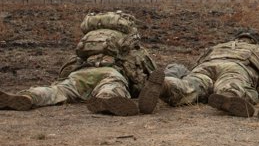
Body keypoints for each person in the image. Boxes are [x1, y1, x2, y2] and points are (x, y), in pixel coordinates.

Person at [0, 11, 161, 116]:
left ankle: (28, 96)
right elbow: (150, 74)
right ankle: (106, 99)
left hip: (81, 73)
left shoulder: (90, 42)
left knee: (59, 90)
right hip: (110, 73)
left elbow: (69, 65)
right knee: (112, 87)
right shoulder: (132, 48)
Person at [156, 30, 259, 117]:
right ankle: (228, 95)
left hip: (207, 66)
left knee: (191, 85)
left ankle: (167, 85)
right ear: (257, 42)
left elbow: (196, 66)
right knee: (232, 83)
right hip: (235, 67)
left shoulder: (217, 46)